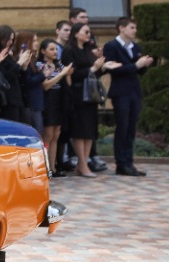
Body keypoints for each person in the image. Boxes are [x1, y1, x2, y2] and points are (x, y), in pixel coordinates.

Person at [102, 17, 154, 177]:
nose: (135, 31)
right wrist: (135, 65)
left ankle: (129, 162)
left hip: (134, 91)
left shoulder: (135, 46)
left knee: (131, 128)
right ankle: (121, 163)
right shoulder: (111, 46)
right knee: (122, 127)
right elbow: (113, 69)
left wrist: (144, 65)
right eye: (132, 27)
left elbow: (139, 72)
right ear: (122, 28)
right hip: (120, 92)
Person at [65, 22, 107, 179]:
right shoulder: (70, 51)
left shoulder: (88, 50)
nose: (89, 35)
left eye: (89, 32)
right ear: (76, 33)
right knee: (80, 130)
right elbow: (72, 74)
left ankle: (84, 163)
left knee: (89, 131)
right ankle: (82, 164)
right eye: (86, 32)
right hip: (78, 94)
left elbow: (94, 72)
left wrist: (102, 66)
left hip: (90, 95)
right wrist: (93, 68)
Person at [37, 38, 73, 171]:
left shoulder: (59, 65)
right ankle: (45, 167)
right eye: (51, 49)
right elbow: (45, 85)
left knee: (56, 135)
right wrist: (62, 74)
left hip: (60, 99)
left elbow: (68, 83)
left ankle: (53, 167)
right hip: (48, 99)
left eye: (56, 49)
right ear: (43, 51)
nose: (55, 52)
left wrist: (67, 74)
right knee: (48, 135)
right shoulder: (40, 65)